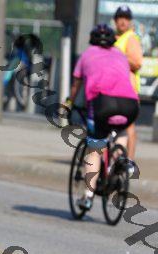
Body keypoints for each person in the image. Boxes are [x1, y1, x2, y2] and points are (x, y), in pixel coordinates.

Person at [67, 24, 139, 210]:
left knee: (95, 148)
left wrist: (69, 103)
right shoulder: (120, 55)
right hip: (130, 104)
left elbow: (76, 85)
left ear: (92, 40)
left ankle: (88, 196)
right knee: (122, 132)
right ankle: (120, 160)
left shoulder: (87, 55)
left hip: (102, 103)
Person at [114, 5, 143, 161]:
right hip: (114, 91)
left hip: (129, 92)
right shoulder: (117, 39)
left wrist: (119, 55)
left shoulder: (131, 38)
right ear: (115, 20)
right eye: (120, 18)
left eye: (126, 18)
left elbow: (137, 63)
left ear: (130, 21)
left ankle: (129, 162)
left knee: (129, 127)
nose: (123, 21)